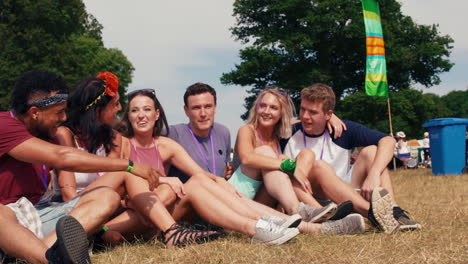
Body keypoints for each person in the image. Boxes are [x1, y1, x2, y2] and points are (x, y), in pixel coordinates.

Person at [106, 88, 366, 243]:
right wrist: (165, 181)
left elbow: (201, 174)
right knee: (196, 184)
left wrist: (330, 115)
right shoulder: (124, 143)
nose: (141, 115)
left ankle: (308, 224)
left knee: (205, 182)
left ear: (157, 114)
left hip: (172, 209)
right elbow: (115, 183)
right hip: (147, 216)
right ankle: (281, 224)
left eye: (147, 110)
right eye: (134, 111)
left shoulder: (166, 144)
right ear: (126, 115)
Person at [0, 70, 159, 263]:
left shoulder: (46, 133)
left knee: (107, 196)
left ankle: (43, 254)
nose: (64, 118)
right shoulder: (4, 125)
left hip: (36, 215)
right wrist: (129, 165)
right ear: (35, 113)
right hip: (6, 221)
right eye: (59, 112)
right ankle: (48, 259)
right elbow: (62, 156)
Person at [54, 72, 220, 247]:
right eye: (116, 104)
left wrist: (130, 202)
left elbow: (116, 189)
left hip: (108, 208)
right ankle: (168, 231)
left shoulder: (111, 137)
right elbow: (68, 197)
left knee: (165, 191)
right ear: (98, 111)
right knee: (129, 170)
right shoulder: (65, 135)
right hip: (76, 211)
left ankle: (164, 232)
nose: (119, 109)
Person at [283, 83, 421, 232]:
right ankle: (372, 213)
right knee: (320, 166)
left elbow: (388, 141)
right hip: (310, 196)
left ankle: (394, 211)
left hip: (345, 194)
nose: (305, 116)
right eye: (302, 109)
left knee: (372, 152)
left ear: (328, 114)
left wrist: (373, 174)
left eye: (313, 112)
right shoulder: (287, 132)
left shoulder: (341, 129)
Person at [229, 87, 342, 222]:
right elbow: (247, 158)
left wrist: (329, 117)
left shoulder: (278, 137)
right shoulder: (247, 130)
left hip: (263, 200)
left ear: (282, 113)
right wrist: (290, 166)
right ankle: (303, 210)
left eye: (273, 108)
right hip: (239, 197)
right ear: (256, 108)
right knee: (268, 153)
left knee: (303, 154)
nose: (266, 111)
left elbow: (308, 120)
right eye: (262, 106)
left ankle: (308, 211)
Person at [167, 82, 231, 183]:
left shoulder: (223, 132)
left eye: (208, 106)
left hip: (219, 194)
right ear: (186, 110)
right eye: (196, 108)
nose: (203, 114)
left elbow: (224, 172)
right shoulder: (173, 133)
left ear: (215, 107)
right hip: (189, 196)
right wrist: (131, 167)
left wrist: (227, 174)